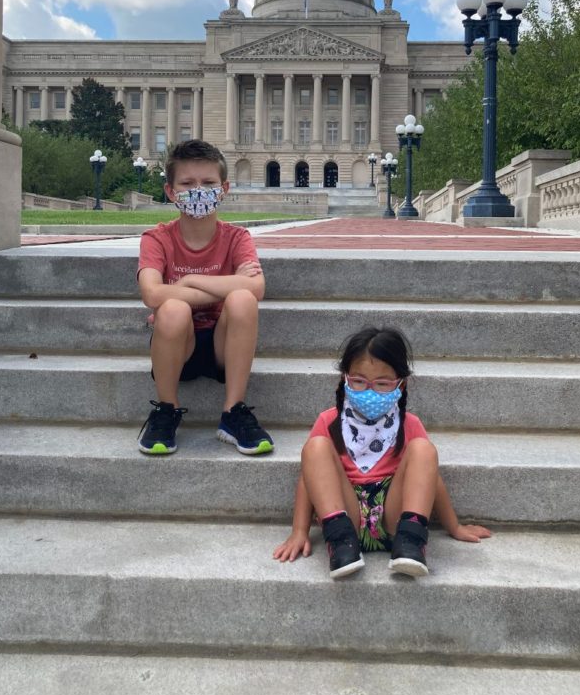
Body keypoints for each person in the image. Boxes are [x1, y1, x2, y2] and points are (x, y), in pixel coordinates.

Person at [273, 326, 490, 578]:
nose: (369, 391)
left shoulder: (409, 424)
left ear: (401, 383)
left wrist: (454, 526)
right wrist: (299, 531)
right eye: (359, 381)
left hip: (394, 521)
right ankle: (341, 545)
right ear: (344, 378)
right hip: (345, 518)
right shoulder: (329, 421)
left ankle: (411, 542)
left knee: (423, 449)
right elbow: (309, 479)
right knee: (315, 447)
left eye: (382, 383)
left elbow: (430, 479)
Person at [136, 139, 273, 457]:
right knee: (172, 309)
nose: (199, 190)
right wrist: (226, 284)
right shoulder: (157, 239)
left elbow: (256, 290)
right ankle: (166, 410)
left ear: (224, 189)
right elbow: (152, 293)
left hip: (224, 347)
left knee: (242, 301)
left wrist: (190, 280)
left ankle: (233, 412)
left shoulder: (237, 237)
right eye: (187, 183)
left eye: (208, 183)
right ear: (170, 191)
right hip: (176, 347)